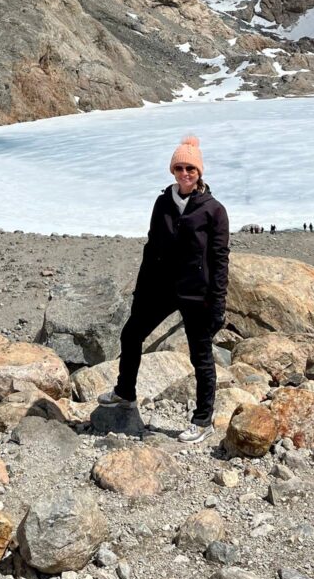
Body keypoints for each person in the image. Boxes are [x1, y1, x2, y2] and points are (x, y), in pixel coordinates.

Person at [98, 135, 230, 443]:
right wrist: (141, 291)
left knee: (201, 356)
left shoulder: (214, 210)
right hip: (160, 288)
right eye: (179, 168)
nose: (185, 174)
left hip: (196, 292)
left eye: (191, 169)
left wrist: (218, 303)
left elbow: (220, 259)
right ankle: (125, 392)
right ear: (173, 170)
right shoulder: (163, 202)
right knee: (131, 334)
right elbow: (151, 247)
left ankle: (202, 419)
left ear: (200, 173)